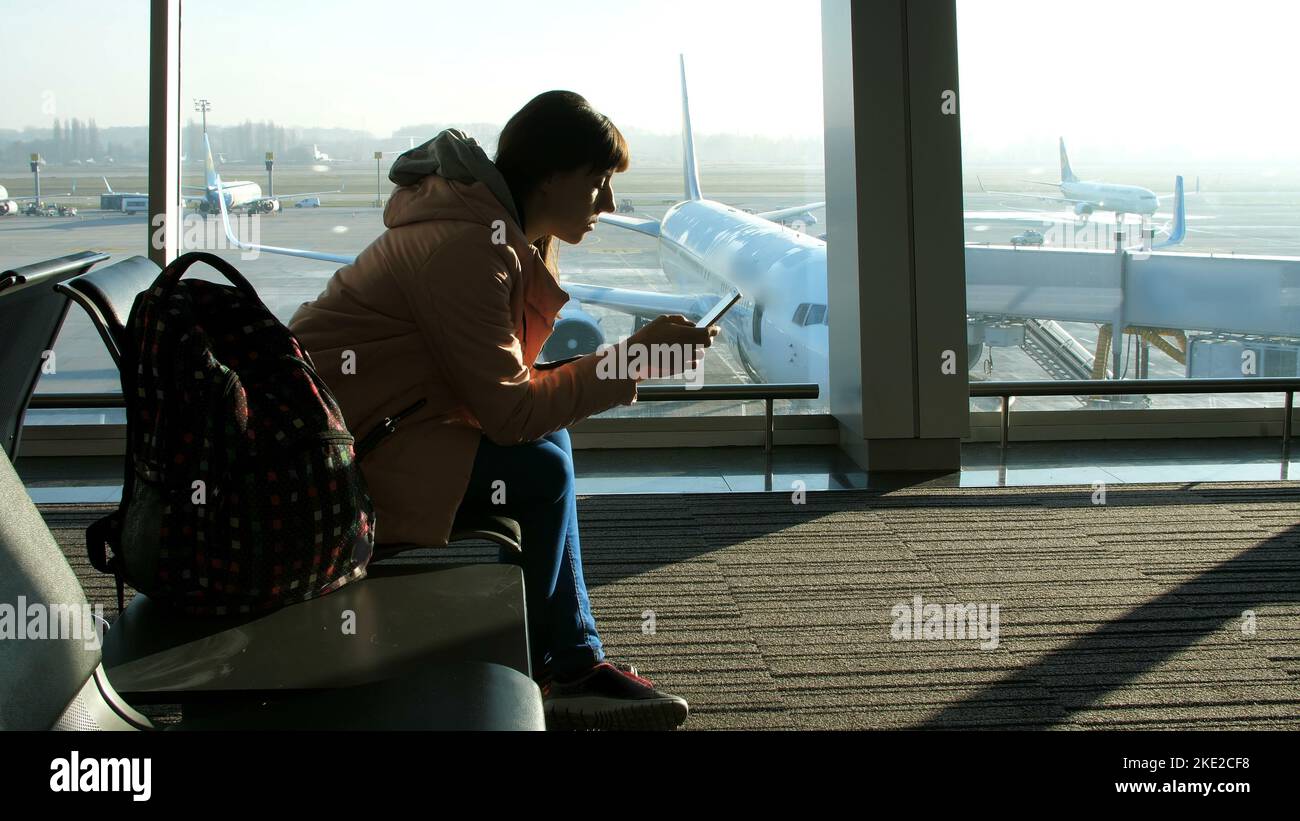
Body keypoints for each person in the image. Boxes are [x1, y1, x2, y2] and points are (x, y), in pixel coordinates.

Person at [288, 90, 717, 730]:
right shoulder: (467, 249)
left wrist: (625, 362)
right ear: (550, 175)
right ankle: (558, 664)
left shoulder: (487, 235)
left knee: (551, 450)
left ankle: (568, 660)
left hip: (376, 423)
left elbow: (499, 388)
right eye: (597, 182)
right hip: (332, 458)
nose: (608, 203)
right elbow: (510, 413)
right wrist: (632, 362)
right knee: (543, 468)